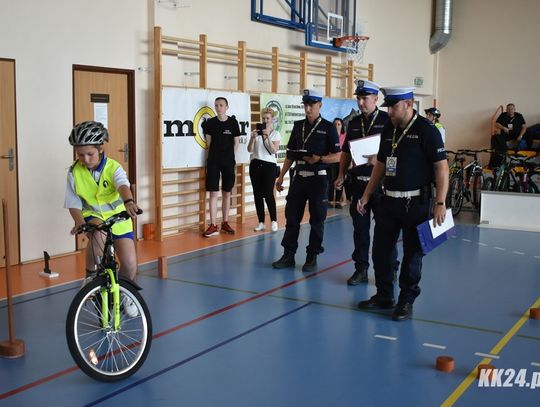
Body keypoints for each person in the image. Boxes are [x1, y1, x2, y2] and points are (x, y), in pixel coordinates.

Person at [356, 87, 449, 321]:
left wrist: (440, 201)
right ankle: (384, 295)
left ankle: (406, 301)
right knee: (381, 251)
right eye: (388, 106)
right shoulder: (389, 128)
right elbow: (380, 164)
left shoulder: (427, 131)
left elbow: (441, 168)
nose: (389, 111)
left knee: (412, 255)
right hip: (388, 201)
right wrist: (367, 194)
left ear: (408, 104)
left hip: (416, 203)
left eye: (394, 106)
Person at [65, 121, 141, 317]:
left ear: (100, 148)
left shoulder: (113, 167)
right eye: (80, 155)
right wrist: (80, 222)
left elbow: (122, 185)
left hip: (119, 218)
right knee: (98, 234)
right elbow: (73, 203)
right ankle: (90, 275)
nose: (85, 159)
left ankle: (125, 293)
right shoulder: (74, 172)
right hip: (93, 217)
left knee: (130, 263)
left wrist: (129, 201)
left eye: (90, 154)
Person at [335, 79, 399, 286]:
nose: (361, 102)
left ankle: (391, 268)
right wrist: (341, 175)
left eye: (365, 98)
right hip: (359, 184)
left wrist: (378, 161)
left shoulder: (388, 121)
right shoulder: (352, 122)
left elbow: (396, 154)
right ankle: (360, 269)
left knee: (385, 231)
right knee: (360, 230)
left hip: (381, 186)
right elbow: (346, 153)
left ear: (375, 99)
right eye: (358, 98)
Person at [272, 89, 341, 272]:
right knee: (292, 218)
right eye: (305, 105)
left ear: (320, 105)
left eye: (312, 105)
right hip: (299, 178)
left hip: (318, 180)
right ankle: (288, 255)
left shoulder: (328, 127)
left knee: (317, 220)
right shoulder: (298, 126)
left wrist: (319, 159)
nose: (308, 108)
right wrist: (280, 177)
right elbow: (290, 155)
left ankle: (312, 256)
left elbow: (338, 156)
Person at [201, 97, 240, 237]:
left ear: (226, 107)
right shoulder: (210, 123)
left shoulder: (233, 123)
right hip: (213, 161)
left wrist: (229, 157)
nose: (218, 108)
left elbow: (236, 143)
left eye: (221, 105)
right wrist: (215, 156)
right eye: (216, 105)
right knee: (213, 193)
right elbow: (209, 144)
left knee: (226, 193)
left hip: (228, 161)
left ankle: (225, 222)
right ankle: (212, 224)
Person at [247, 107, 281, 232]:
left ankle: (274, 221)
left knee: (268, 193)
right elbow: (249, 150)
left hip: (269, 166)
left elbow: (274, 150)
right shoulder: (257, 132)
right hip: (255, 164)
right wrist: (252, 138)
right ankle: (261, 221)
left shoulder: (275, 133)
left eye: (268, 118)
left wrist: (266, 136)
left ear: (272, 120)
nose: (265, 120)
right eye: (264, 118)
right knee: (257, 194)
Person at [327, 118, 345, 209]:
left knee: (340, 180)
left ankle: (338, 201)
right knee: (331, 181)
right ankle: (330, 201)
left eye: (339, 124)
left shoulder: (344, 136)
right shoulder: (330, 135)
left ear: (342, 126)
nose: (337, 126)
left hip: (342, 161)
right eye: (335, 124)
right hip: (331, 161)